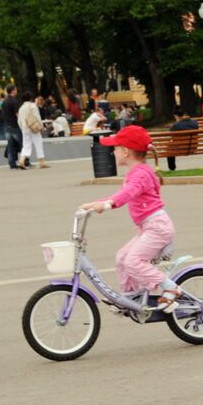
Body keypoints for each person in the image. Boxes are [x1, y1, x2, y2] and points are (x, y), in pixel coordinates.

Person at [76, 125, 184, 311]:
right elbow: (123, 193)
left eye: (115, 148)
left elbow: (128, 193)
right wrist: (95, 204)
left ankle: (171, 288)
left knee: (133, 261)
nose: (113, 151)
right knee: (122, 257)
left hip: (157, 227)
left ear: (125, 151)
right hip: (149, 227)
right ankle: (130, 297)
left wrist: (108, 204)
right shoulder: (137, 172)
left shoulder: (140, 174)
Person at [17, 95, 48, 169]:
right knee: (38, 143)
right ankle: (42, 162)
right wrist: (41, 126)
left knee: (26, 145)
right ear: (30, 99)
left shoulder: (21, 108)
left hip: (25, 128)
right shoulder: (33, 106)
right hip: (34, 127)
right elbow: (37, 117)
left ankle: (21, 161)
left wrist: (22, 128)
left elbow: (19, 120)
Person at [164, 107, 198, 171]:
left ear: (177, 116)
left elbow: (170, 135)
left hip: (181, 149)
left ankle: (172, 168)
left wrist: (177, 121)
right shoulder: (195, 122)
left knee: (169, 148)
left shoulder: (176, 125)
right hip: (193, 147)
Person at [2, 85, 23, 169]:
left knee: (10, 145)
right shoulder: (14, 101)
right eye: (16, 89)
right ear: (13, 91)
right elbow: (17, 114)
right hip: (15, 125)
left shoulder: (4, 101)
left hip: (7, 125)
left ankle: (12, 164)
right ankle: (24, 161)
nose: (16, 91)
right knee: (22, 144)